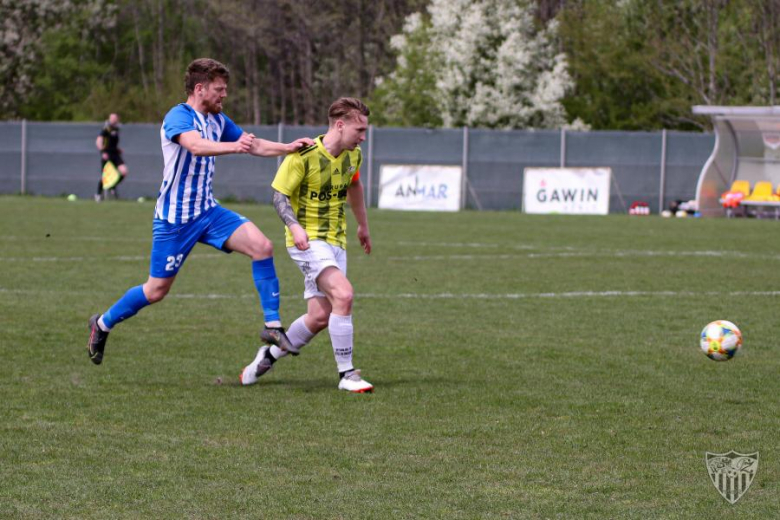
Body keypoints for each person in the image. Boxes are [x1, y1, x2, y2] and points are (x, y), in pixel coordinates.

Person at [86, 58, 314, 367]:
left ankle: (272, 326)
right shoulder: (178, 116)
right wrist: (235, 147)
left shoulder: (218, 120)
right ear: (200, 89)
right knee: (155, 290)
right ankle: (102, 324)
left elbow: (252, 143)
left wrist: (288, 147)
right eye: (219, 90)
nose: (224, 96)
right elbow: (195, 146)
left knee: (262, 247)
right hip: (175, 221)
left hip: (208, 212)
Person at [240, 97, 374, 393]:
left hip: (336, 240)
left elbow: (354, 185)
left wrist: (363, 225)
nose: (363, 137)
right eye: (359, 130)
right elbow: (279, 195)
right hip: (307, 241)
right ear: (340, 125)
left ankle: (268, 356)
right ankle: (347, 374)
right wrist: (294, 226)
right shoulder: (304, 154)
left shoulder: (354, 156)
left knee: (319, 316)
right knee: (344, 294)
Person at [95, 113, 128, 201]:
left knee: (124, 172)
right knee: (105, 176)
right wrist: (103, 152)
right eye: (112, 118)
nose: (113, 120)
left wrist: (117, 149)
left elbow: (111, 142)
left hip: (115, 154)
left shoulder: (116, 129)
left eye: (115, 118)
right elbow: (98, 141)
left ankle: (112, 186)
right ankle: (98, 194)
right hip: (107, 154)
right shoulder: (106, 128)